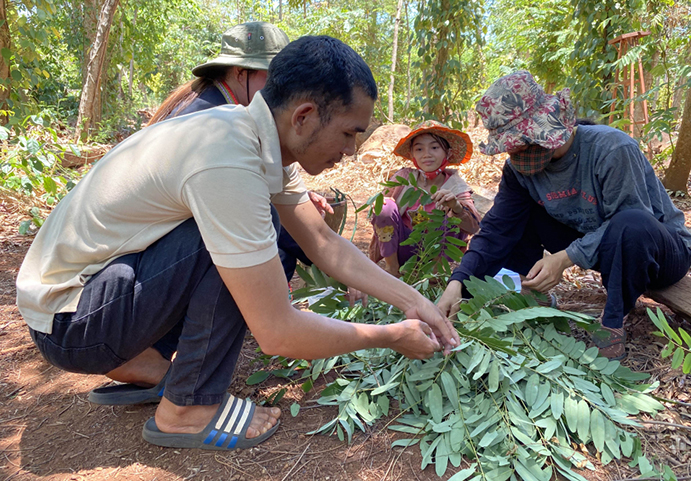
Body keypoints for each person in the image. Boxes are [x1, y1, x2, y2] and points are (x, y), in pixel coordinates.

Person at [16, 35, 459, 451]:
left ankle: (142, 358)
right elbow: (277, 330)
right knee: (253, 228)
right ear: (303, 116)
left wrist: (413, 300)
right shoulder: (227, 160)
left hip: (94, 299)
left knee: (253, 230)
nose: (352, 149)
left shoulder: (252, 134)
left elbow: (322, 240)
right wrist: (389, 336)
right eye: (348, 133)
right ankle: (187, 409)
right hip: (71, 323)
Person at [437, 71, 691, 360]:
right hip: (599, 247)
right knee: (518, 216)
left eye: (519, 142)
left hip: (657, 254)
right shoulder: (520, 172)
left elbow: (633, 222)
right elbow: (497, 230)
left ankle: (613, 321)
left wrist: (565, 257)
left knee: (629, 223)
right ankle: (532, 292)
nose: (514, 153)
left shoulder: (611, 149)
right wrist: (458, 283)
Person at [148, 21, 330, 282]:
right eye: (274, 77)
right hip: (162, 254)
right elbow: (239, 200)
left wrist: (298, 209)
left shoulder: (216, 104)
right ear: (240, 73)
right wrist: (314, 249)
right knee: (271, 246)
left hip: (162, 251)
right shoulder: (215, 123)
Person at [369, 121, 482, 276]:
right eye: (419, 149)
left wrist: (456, 206)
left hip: (437, 251)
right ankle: (392, 269)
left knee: (451, 217)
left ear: (447, 153)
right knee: (384, 206)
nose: (426, 154)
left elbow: (474, 226)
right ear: (412, 155)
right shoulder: (404, 178)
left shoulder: (456, 186)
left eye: (434, 148)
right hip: (404, 246)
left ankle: (434, 274)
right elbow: (379, 213)